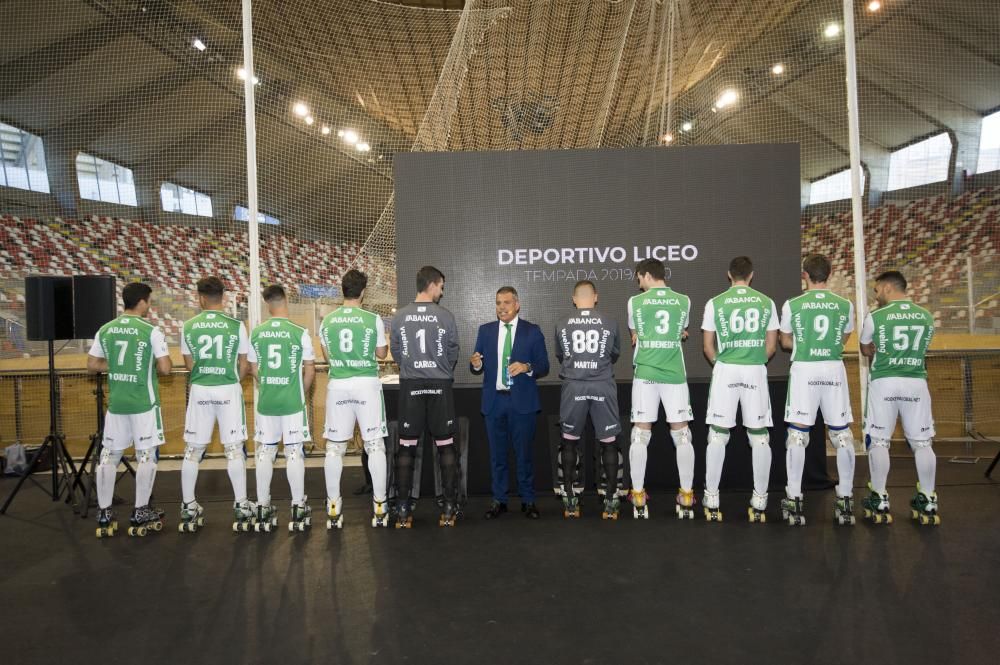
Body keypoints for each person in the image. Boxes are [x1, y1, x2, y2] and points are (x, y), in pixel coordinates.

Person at [87, 282, 172, 538]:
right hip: (143, 403)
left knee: (109, 456)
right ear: (143, 302)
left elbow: (92, 364)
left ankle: (104, 512)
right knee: (147, 456)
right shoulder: (150, 331)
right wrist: (142, 368)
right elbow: (166, 368)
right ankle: (141, 510)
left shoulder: (106, 329)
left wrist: (117, 368)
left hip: (117, 403)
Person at [778, 254, 856, 526]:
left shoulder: (793, 304)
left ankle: (795, 498)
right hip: (833, 368)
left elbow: (785, 342)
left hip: (805, 368)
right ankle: (846, 500)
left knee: (798, 435)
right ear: (830, 273)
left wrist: (802, 343)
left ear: (805, 275)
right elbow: (844, 337)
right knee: (842, 435)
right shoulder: (845, 305)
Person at [701, 256, 779, 523]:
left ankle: (711, 498)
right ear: (752, 275)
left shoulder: (715, 302)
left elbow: (707, 345)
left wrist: (720, 364)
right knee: (759, 437)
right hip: (754, 369)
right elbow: (772, 345)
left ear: (729, 275)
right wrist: (755, 360)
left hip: (725, 369)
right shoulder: (766, 302)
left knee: (718, 435)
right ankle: (760, 500)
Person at [859, 270, 939, 525]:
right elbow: (924, 348)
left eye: (877, 288)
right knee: (922, 443)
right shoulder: (926, 316)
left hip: (885, 381)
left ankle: (880, 497)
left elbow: (865, 348)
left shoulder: (876, 316)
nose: (876, 293)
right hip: (915, 381)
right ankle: (928, 498)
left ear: (888, 287)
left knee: (879, 440)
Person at [179, 276, 253, 532]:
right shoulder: (236, 325)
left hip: (200, 388)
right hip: (227, 388)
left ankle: (188, 505)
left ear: (200, 298)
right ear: (224, 297)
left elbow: (189, 364)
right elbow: (244, 364)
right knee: (234, 449)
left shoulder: (188, 326)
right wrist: (233, 379)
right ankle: (241, 504)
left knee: (193, 450)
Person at [318, 269, 390, 529]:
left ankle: (334, 505)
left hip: (338, 385)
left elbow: (327, 356)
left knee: (335, 448)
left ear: (342, 290)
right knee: (375, 446)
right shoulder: (372, 319)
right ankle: (380, 505)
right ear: (363, 292)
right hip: (366, 386)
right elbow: (382, 353)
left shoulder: (327, 321)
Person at [389, 266, 460, 527]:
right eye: (441, 286)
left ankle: (404, 507)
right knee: (446, 446)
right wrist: (440, 369)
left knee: (406, 445)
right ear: (432, 284)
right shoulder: (446, 316)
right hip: (440, 384)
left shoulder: (399, 317)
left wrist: (410, 367)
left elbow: (397, 350)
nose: (442, 291)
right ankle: (450, 506)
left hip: (411, 384)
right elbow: (452, 351)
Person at [471, 286, 549, 520]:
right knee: (497, 456)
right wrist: (476, 363)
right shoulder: (485, 331)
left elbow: (544, 366)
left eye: (506, 303)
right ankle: (499, 500)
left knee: (524, 455)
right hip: (494, 402)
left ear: (517, 305)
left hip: (522, 403)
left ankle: (528, 500)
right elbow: (478, 366)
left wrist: (527, 367)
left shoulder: (532, 331)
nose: (501, 307)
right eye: (498, 303)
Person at [626, 258, 695, 520]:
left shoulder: (635, 302)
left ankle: (639, 494)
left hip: (646, 373)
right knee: (682, 434)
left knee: (640, 434)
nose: (638, 283)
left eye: (638, 278)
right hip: (674, 374)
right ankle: (687, 494)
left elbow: (636, 333)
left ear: (646, 275)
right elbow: (681, 331)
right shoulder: (684, 300)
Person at [247, 285, 315, 532]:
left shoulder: (256, 333)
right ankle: (297, 506)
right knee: (294, 451)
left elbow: (254, 369)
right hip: (292, 401)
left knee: (266, 451)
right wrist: (300, 392)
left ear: (267, 304)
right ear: (285, 300)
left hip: (267, 401)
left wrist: (267, 385)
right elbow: (310, 370)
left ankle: (263, 506)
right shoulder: (300, 332)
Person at [554, 280, 622, 520]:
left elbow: (561, 355)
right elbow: (614, 353)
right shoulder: (610, 322)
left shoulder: (562, 323)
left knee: (570, 441)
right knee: (609, 442)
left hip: (574, 386)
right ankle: (611, 498)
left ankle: (570, 497)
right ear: (595, 297)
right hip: (602, 384)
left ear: (574, 299)